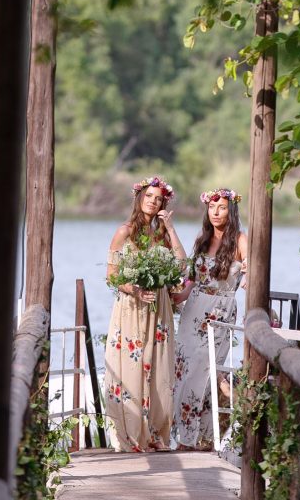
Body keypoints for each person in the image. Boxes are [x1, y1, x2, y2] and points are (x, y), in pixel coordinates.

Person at [103, 175, 187, 453]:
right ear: (139, 198)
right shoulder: (124, 231)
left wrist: (171, 228)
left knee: (160, 370)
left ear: (164, 203)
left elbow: (182, 265)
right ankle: (130, 433)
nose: (153, 202)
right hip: (131, 308)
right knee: (130, 368)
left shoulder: (162, 234)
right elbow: (111, 275)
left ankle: (156, 433)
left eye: (158, 198)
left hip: (159, 307)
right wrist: (136, 291)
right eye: (149, 196)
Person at [172, 187, 247, 451]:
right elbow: (191, 281)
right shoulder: (202, 239)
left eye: (222, 207)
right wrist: (176, 296)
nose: (216, 212)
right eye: (212, 207)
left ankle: (194, 438)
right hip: (193, 310)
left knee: (203, 372)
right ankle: (194, 438)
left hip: (220, 312)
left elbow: (252, 267)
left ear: (231, 210)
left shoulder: (240, 240)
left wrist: (249, 276)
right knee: (183, 371)